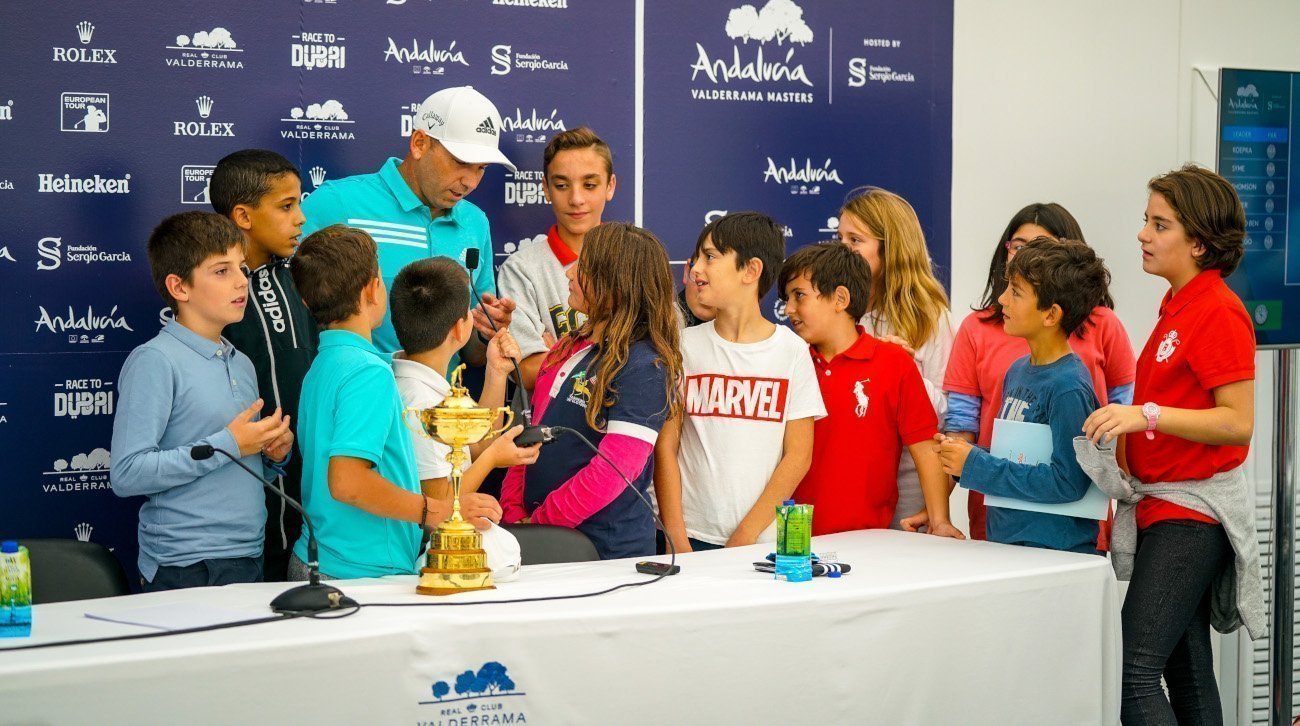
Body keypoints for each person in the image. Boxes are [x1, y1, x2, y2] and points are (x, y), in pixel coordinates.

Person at [1083, 165, 1256, 723]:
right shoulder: (1179, 306)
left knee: (1131, 674)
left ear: (1199, 244)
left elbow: (1237, 423)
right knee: (1186, 675)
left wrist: (1145, 416)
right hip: (1164, 508)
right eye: (1146, 221)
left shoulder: (1219, 312)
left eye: (1160, 225)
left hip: (1191, 514)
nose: (1143, 235)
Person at [288, 225, 501, 580]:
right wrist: (435, 511)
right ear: (374, 290)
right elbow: (347, 482)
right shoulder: (368, 372)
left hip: (320, 557)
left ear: (307, 301)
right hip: (358, 571)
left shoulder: (327, 361)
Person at [110, 211, 293, 591]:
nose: (242, 282)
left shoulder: (240, 362)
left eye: (242, 268)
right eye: (222, 271)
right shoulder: (155, 360)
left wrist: (270, 454)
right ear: (179, 287)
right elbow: (127, 473)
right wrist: (231, 443)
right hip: (186, 565)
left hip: (249, 555)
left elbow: (234, 458)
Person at [943, 203, 1135, 542]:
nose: (1001, 299)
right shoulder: (1018, 371)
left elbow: (1068, 482)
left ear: (1051, 315)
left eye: (1015, 292)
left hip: (1052, 552)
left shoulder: (1068, 386)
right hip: (1007, 541)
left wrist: (975, 466)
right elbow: (1019, 457)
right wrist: (966, 457)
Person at [501, 223, 682, 560]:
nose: (569, 273)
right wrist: (514, 513)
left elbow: (613, 471)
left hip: (605, 554)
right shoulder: (567, 347)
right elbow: (529, 438)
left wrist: (541, 522)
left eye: (583, 267)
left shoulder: (645, 365)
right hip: (535, 538)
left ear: (615, 285)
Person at [301, 85, 514, 362]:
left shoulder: (475, 222)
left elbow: (473, 355)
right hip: (359, 399)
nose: (470, 182)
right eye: (461, 162)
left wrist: (488, 332)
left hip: (443, 403)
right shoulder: (337, 203)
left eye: (481, 168)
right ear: (419, 144)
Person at [655, 212, 825, 552]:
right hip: (689, 538)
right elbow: (666, 446)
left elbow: (798, 456)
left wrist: (745, 536)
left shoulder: (791, 351)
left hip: (760, 541)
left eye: (710, 257)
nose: (696, 268)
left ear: (751, 270)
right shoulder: (684, 346)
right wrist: (677, 536)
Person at [780, 243, 962, 538]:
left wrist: (940, 520)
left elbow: (926, 447)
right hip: (792, 540)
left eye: (799, 295)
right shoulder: (787, 361)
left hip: (871, 541)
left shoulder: (895, 363)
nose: (788, 309)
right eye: (787, 298)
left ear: (840, 298)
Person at [209, 148, 317, 582]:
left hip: (311, 493)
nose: (301, 219)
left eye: (300, 204)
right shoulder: (210, 294)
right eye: (286, 206)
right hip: (241, 504)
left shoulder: (302, 276)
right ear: (243, 216)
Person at [836, 187, 954, 529]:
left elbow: (947, 413)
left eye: (855, 240)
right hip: (849, 475)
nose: (843, 249)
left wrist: (907, 371)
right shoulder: (835, 306)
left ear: (891, 249)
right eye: (839, 237)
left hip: (907, 481)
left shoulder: (930, 317)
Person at [390, 256, 540, 499]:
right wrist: (493, 459)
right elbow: (438, 504)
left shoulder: (423, 385)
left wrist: (496, 372)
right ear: (460, 328)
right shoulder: (423, 402)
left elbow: (478, 444)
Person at [497, 127, 616, 390]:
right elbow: (525, 371)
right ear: (546, 189)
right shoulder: (521, 269)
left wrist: (559, 354)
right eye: (562, 185)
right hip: (546, 428)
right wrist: (612, 356)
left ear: (610, 186)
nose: (576, 199)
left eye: (589, 185)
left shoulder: (636, 261)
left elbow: (652, 361)